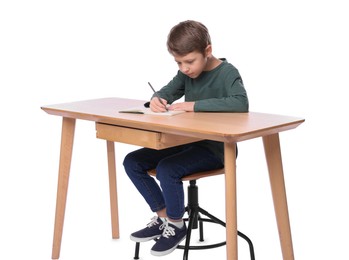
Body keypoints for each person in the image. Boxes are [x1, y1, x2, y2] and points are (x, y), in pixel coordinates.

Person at [123, 20, 249, 257]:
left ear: (208, 51)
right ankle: (164, 219)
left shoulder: (227, 72)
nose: (184, 68)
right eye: (178, 62)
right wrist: (156, 100)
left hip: (216, 149)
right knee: (133, 161)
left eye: (189, 61)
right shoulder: (185, 74)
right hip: (185, 142)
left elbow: (240, 102)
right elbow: (166, 91)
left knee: (167, 168)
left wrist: (193, 105)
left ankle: (177, 224)